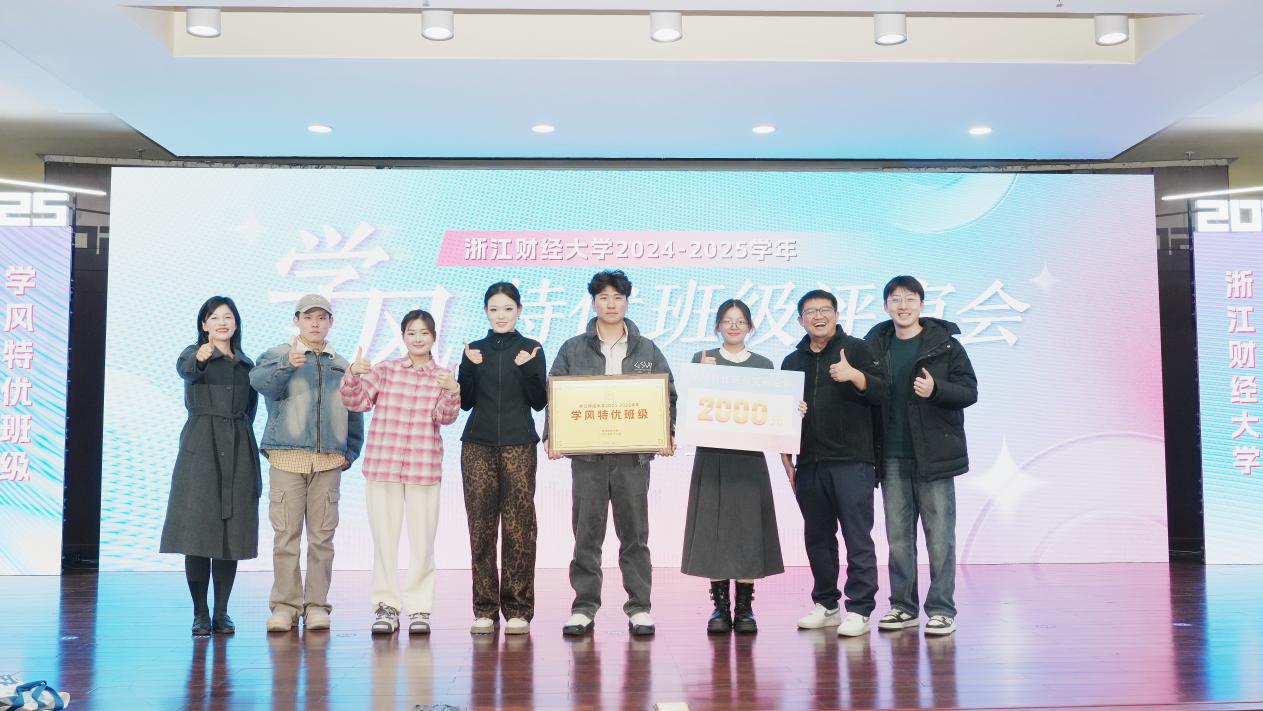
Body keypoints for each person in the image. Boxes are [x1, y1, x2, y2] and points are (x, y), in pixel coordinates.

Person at [547, 269, 677, 637]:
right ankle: (583, 607)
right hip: (588, 459)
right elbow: (555, 395)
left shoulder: (646, 349)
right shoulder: (573, 348)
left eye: (618, 297)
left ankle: (640, 607)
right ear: (593, 303)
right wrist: (553, 436)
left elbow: (667, 395)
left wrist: (665, 433)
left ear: (627, 302)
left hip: (632, 459)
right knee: (586, 534)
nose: (611, 304)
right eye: (604, 297)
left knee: (634, 534)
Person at [866, 275, 978, 637]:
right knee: (898, 539)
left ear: (922, 304)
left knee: (940, 537)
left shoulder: (945, 345)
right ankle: (903, 607)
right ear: (886, 306)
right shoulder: (874, 346)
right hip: (891, 456)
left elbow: (969, 391)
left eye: (910, 298)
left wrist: (936, 389)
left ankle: (942, 609)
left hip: (934, 456)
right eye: (896, 299)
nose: (903, 305)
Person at [341, 309, 461, 636]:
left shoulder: (442, 376)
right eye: (412, 332)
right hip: (383, 466)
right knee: (384, 541)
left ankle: (420, 608)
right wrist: (352, 374)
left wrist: (452, 390)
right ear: (404, 336)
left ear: (434, 337)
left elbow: (445, 417)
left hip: (423, 468)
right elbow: (356, 402)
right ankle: (386, 607)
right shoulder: (385, 370)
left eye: (424, 333)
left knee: (423, 542)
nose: (418, 338)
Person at [250, 294, 364, 633]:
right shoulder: (277, 355)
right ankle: (285, 606)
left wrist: (350, 452)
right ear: (296, 320)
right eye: (308, 317)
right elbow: (259, 384)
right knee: (286, 536)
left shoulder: (341, 364)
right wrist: (288, 363)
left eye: (321, 317)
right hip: (286, 457)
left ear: (331, 322)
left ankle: (316, 605)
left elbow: (354, 410)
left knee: (322, 539)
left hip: (328, 461)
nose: (315, 323)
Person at [780, 289, 885, 637]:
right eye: (810, 312)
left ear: (837, 315)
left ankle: (860, 609)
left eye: (825, 309)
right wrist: (787, 458)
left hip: (852, 461)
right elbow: (781, 415)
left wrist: (854, 375)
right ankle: (826, 605)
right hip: (809, 462)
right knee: (818, 538)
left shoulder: (858, 349)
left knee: (857, 537)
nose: (818, 316)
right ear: (800, 320)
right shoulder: (792, 362)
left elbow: (882, 393)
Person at [680, 299, 787, 634]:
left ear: (750, 327)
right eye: (727, 320)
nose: (734, 326)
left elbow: (774, 413)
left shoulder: (763, 364)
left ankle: (744, 609)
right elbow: (688, 408)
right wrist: (701, 377)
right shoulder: (702, 359)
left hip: (749, 459)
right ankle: (719, 607)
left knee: (748, 530)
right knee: (714, 530)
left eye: (741, 321)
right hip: (712, 456)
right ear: (717, 326)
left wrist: (791, 409)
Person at [160, 296, 261, 636]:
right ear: (204, 325)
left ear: (236, 323)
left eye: (228, 317)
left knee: (231, 533)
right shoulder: (193, 354)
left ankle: (222, 612)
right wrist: (200, 356)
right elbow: (186, 369)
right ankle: (200, 613)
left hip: (238, 447)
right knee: (198, 532)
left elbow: (249, 411)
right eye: (214, 317)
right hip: (201, 449)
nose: (222, 322)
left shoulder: (246, 365)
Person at [458, 282, 548, 636]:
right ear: (485, 311)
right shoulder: (473, 349)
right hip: (477, 446)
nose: (501, 316)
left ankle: (518, 610)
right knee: (480, 527)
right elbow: (465, 402)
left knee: (519, 529)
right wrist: (468, 368)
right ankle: (484, 609)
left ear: (519, 311)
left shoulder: (531, 349)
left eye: (508, 309)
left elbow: (539, 401)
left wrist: (527, 368)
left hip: (518, 446)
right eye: (494, 309)